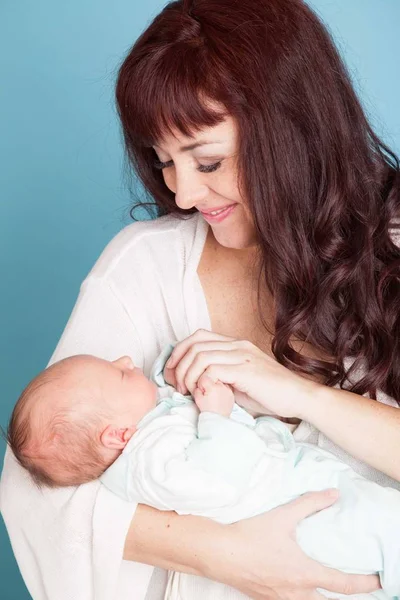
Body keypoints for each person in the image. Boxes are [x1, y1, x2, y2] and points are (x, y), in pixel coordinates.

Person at [1, 0, 399, 598]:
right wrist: (226, 556)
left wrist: (298, 394)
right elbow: (36, 479)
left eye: (207, 160)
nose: (183, 195)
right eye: (164, 161)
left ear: (288, 130)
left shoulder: (391, 244)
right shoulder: (145, 266)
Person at [6, 346, 400, 600]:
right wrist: (216, 414)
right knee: (384, 525)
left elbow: (164, 389)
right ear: (117, 435)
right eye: (120, 374)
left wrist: (179, 369)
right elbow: (216, 478)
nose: (126, 361)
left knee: (379, 533)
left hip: (305, 489)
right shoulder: (149, 464)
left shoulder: (144, 423)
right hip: (296, 520)